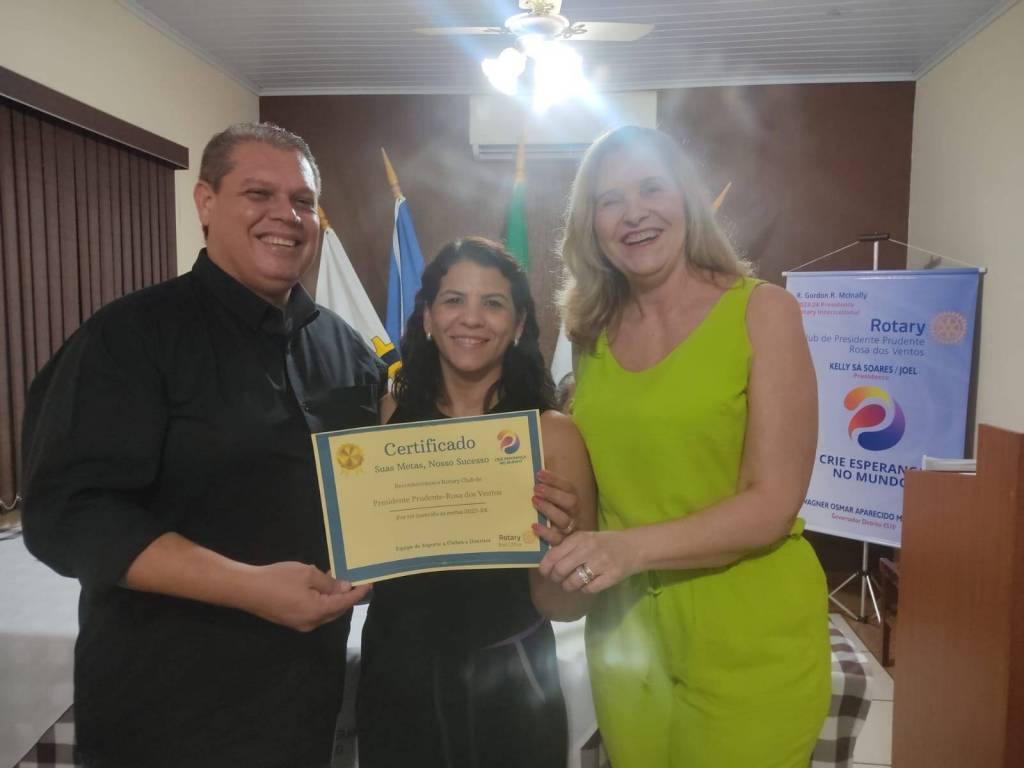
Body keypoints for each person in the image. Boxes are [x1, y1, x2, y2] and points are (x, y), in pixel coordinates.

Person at [21, 123, 384, 768]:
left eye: (303, 201)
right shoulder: (128, 338)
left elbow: (377, 489)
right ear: (206, 202)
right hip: (165, 714)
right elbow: (68, 514)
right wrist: (249, 587)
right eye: (259, 193)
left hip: (306, 705)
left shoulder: (346, 348)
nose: (286, 215)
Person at [539, 126, 831, 768]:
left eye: (651, 188)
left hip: (750, 632)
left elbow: (773, 502)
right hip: (626, 644)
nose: (633, 213)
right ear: (591, 225)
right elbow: (607, 482)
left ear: (688, 201)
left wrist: (628, 549)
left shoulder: (764, 311)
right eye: (610, 200)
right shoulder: (590, 334)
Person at [356, 237, 597, 768]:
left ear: (518, 324)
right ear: (427, 317)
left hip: (511, 686)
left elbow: (567, 607)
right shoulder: (389, 415)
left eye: (492, 303)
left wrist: (558, 551)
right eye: (453, 300)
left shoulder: (552, 434)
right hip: (396, 679)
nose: (471, 318)